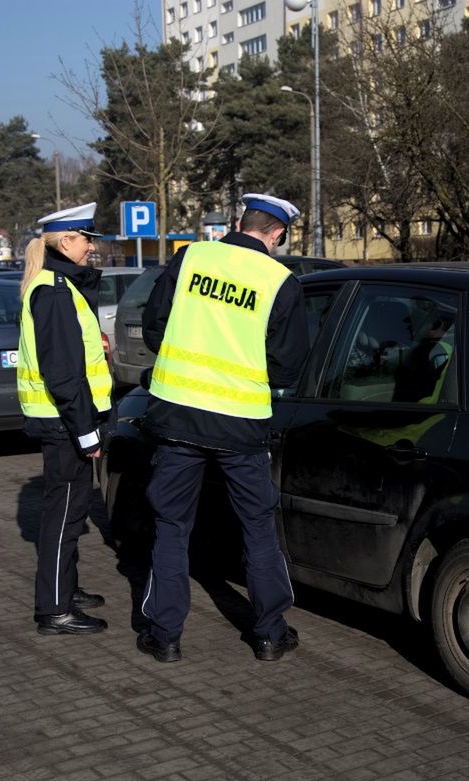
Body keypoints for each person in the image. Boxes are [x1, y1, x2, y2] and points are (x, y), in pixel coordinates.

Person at [136, 193, 310, 663]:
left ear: (238, 222)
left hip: (177, 416)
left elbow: (154, 328)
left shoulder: (191, 257)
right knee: (257, 528)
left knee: (172, 526)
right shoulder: (280, 281)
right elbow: (288, 367)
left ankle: (165, 635)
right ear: (278, 234)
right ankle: (270, 634)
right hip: (242, 426)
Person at [16, 202, 113, 635]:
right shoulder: (54, 290)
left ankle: (65, 590)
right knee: (64, 517)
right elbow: (63, 373)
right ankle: (54, 609)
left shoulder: (57, 284)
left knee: (70, 514)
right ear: (67, 241)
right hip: (64, 421)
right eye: (87, 239)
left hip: (63, 418)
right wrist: (86, 429)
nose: (92, 247)